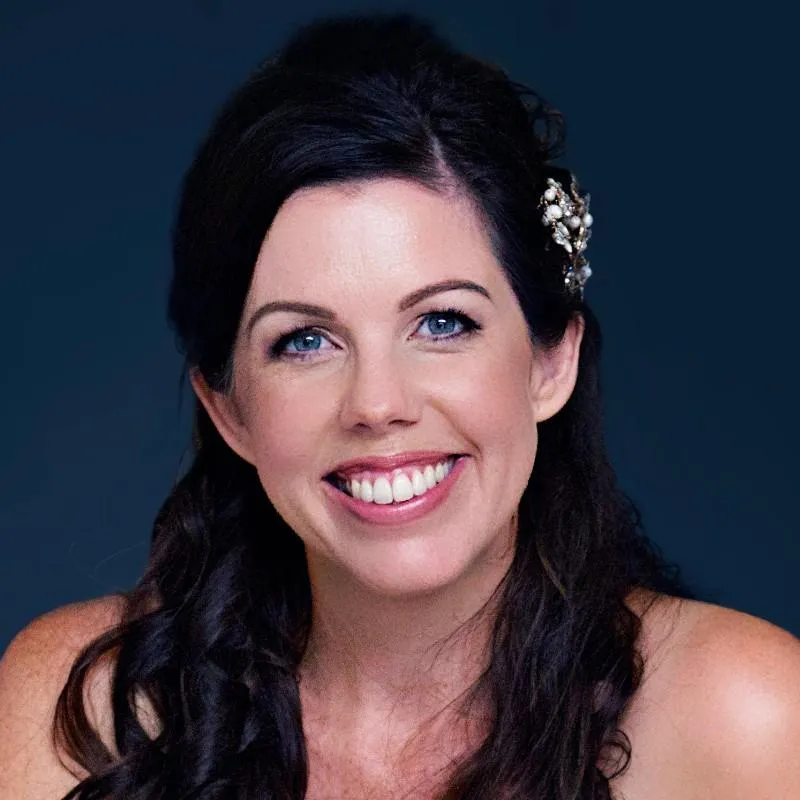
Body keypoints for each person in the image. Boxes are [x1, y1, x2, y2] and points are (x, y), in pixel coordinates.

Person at [1, 12, 798, 800]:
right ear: (228, 409)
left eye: (442, 323)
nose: (377, 404)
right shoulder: (81, 713)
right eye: (305, 341)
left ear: (551, 361)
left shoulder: (745, 715)